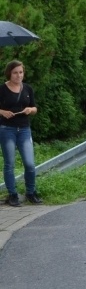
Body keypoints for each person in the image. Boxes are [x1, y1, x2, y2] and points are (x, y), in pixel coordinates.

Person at [0, 60, 43, 206]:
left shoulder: (27, 89)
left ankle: (31, 192)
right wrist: (2, 112)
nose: (18, 75)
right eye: (15, 73)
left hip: (24, 129)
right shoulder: (2, 89)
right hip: (7, 129)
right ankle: (13, 194)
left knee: (30, 164)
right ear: (9, 73)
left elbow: (34, 107)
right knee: (9, 163)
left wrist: (30, 110)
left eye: (21, 72)